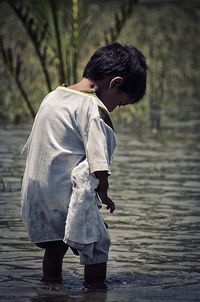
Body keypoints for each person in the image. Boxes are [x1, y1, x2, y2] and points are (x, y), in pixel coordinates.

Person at [21, 42, 148, 285]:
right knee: (98, 245)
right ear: (115, 83)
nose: (114, 108)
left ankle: (50, 288)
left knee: (55, 247)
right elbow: (98, 158)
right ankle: (95, 291)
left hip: (37, 194)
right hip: (66, 196)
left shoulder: (52, 96)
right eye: (119, 103)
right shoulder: (92, 108)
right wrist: (104, 191)